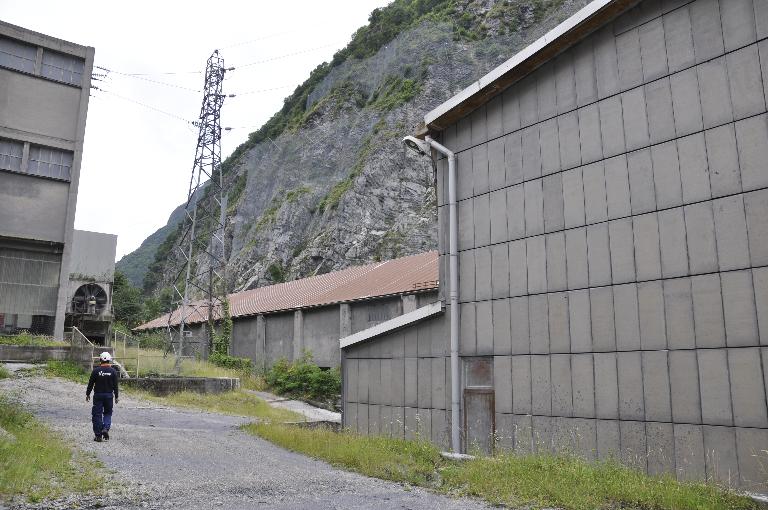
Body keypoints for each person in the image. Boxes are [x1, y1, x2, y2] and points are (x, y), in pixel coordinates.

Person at [86, 351, 119, 442]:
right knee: (108, 413)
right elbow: (115, 385)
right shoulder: (113, 371)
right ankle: (105, 428)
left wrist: (87, 394)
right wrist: (116, 396)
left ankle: (98, 436)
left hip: (98, 396)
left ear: (100, 360)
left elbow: (91, 384)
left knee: (97, 415)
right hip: (109, 396)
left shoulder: (96, 371)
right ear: (109, 360)